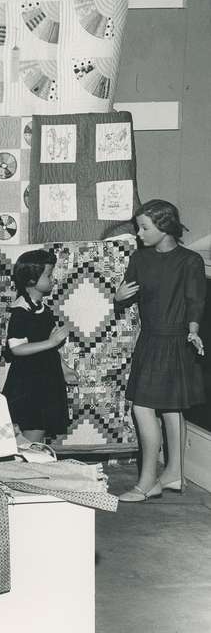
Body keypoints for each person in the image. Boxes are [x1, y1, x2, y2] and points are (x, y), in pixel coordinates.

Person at [114, 199, 205, 502]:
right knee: (168, 407)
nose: (138, 234)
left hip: (176, 339)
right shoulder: (140, 259)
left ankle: (147, 483)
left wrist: (193, 330)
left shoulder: (190, 260)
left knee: (146, 407)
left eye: (144, 228)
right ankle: (174, 474)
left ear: (164, 227)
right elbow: (128, 294)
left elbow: (195, 300)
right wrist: (119, 296)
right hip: (150, 338)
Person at [2, 249, 76, 445]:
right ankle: (23, 462)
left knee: (39, 431)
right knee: (33, 431)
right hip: (29, 381)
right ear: (31, 280)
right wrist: (51, 342)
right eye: (48, 275)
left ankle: (30, 460)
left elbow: (51, 348)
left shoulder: (43, 310)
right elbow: (16, 348)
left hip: (46, 379)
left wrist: (64, 369)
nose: (53, 279)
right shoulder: (20, 311)